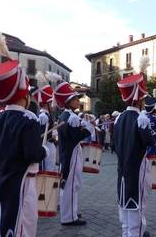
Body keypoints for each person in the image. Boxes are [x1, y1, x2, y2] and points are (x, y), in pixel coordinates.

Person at [0, 31, 47, 236]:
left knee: (0, 221)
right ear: (25, 96)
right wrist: (43, 149)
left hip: (0, 180)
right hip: (22, 182)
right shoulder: (28, 120)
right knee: (23, 223)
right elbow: (32, 154)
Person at [114, 73, 155, 237]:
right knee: (138, 205)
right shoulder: (141, 119)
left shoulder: (119, 119)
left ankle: (128, 233)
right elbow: (150, 142)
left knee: (125, 205)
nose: (144, 102)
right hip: (138, 169)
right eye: (143, 98)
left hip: (122, 169)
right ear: (138, 100)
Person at [51, 76, 91, 225]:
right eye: (75, 99)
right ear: (68, 101)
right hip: (71, 153)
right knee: (71, 184)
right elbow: (75, 137)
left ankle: (71, 212)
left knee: (70, 184)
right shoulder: (70, 116)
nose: (78, 101)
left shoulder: (66, 115)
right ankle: (69, 217)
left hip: (69, 152)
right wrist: (87, 128)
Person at [33, 72, 58, 171]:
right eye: (52, 102)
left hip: (50, 145)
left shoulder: (47, 115)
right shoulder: (44, 116)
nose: (54, 105)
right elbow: (41, 135)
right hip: (46, 146)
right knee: (47, 170)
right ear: (46, 103)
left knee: (50, 168)